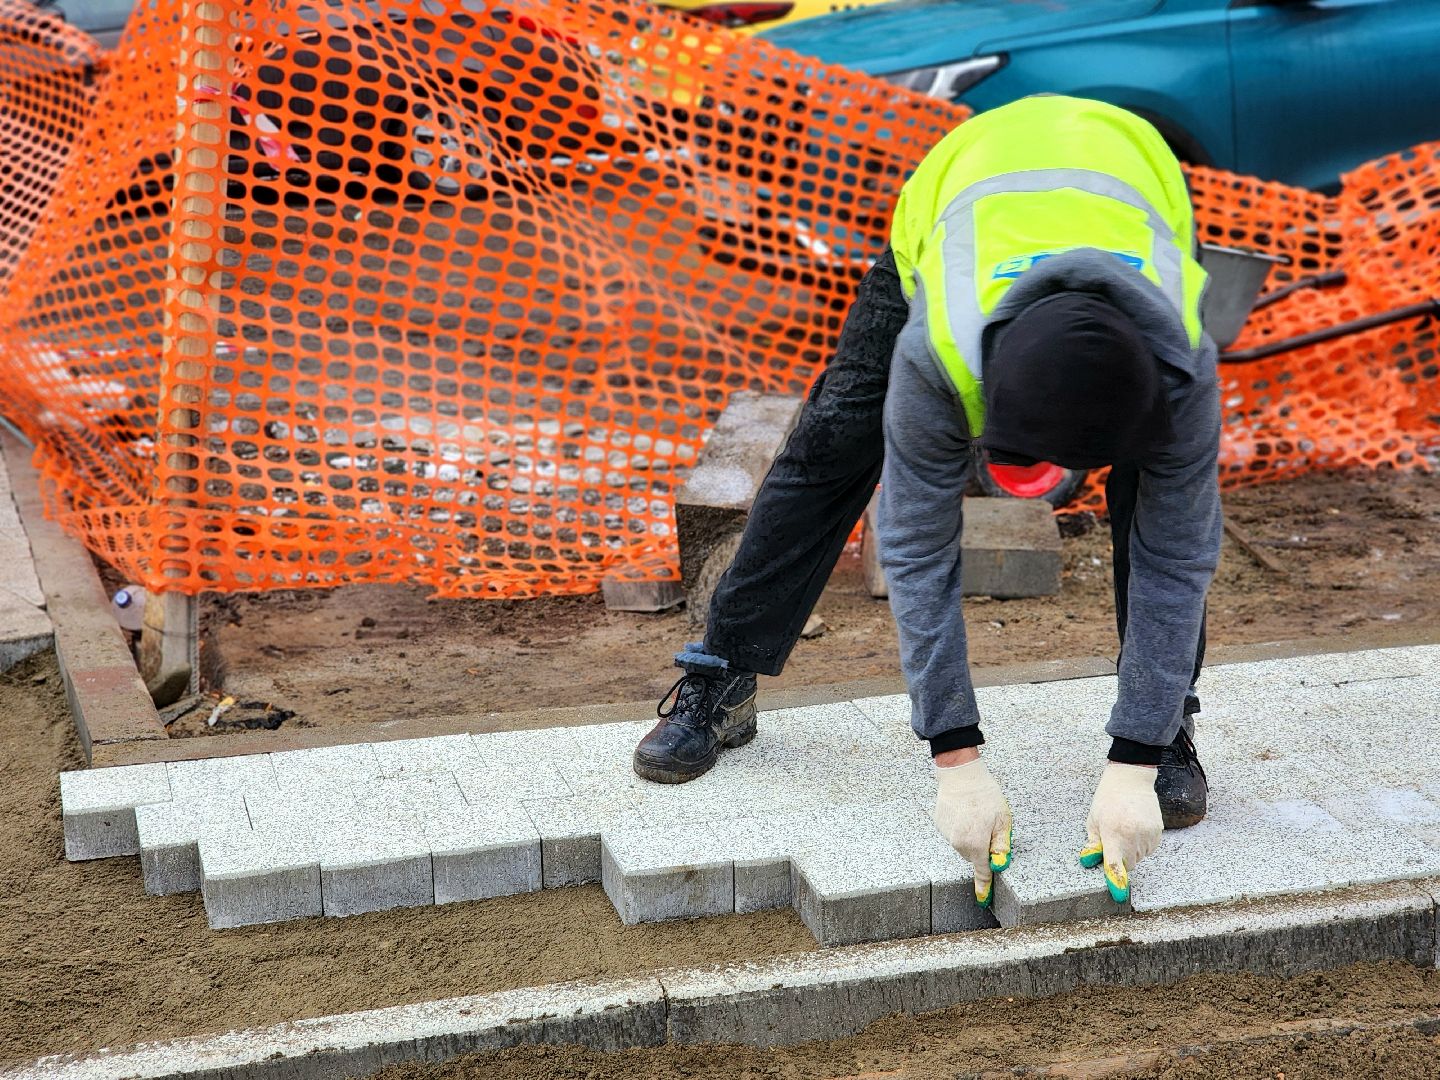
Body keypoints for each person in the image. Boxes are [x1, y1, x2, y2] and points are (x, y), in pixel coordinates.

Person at [633, 97, 1215, 902]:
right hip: (958, 201)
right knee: (836, 438)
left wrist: (1136, 757)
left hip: (1127, 177)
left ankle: (1169, 721)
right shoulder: (939, 346)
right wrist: (956, 754)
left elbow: (1178, 554)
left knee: (1157, 503)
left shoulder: (1181, 364)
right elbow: (914, 544)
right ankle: (720, 676)